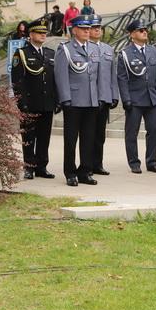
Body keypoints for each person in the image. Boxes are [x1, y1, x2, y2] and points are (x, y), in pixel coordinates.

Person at [54, 15, 101, 186]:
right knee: (71, 139)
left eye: (89, 29)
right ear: (74, 30)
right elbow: (61, 75)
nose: (87, 31)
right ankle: (70, 172)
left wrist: (99, 97)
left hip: (91, 100)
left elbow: (97, 76)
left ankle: (85, 171)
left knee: (88, 138)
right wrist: (65, 98)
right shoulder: (66, 49)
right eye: (83, 29)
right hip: (73, 101)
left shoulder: (94, 48)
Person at [117, 19, 156, 174]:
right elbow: (122, 78)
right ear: (132, 34)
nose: (145, 32)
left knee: (153, 131)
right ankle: (134, 162)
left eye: (145, 29)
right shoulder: (125, 54)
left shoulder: (153, 50)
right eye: (140, 30)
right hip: (135, 99)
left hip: (152, 98)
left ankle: (151, 162)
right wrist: (126, 99)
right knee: (132, 133)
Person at [11, 18, 57, 180]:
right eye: (39, 32)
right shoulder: (22, 53)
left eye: (45, 32)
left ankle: (41, 167)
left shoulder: (50, 53)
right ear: (31, 35)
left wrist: (56, 100)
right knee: (29, 137)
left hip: (47, 103)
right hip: (30, 103)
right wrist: (21, 103)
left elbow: (54, 80)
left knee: (44, 137)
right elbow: (17, 81)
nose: (43, 35)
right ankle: (29, 167)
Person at [89, 14, 118, 175]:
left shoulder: (108, 49)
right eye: (94, 28)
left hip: (105, 97)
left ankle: (98, 164)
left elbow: (112, 74)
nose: (97, 30)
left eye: (99, 28)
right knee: (88, 134)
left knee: (100, 134)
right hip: (89, 97)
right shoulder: (85, 47)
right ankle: (87, 164)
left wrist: (114, 95)